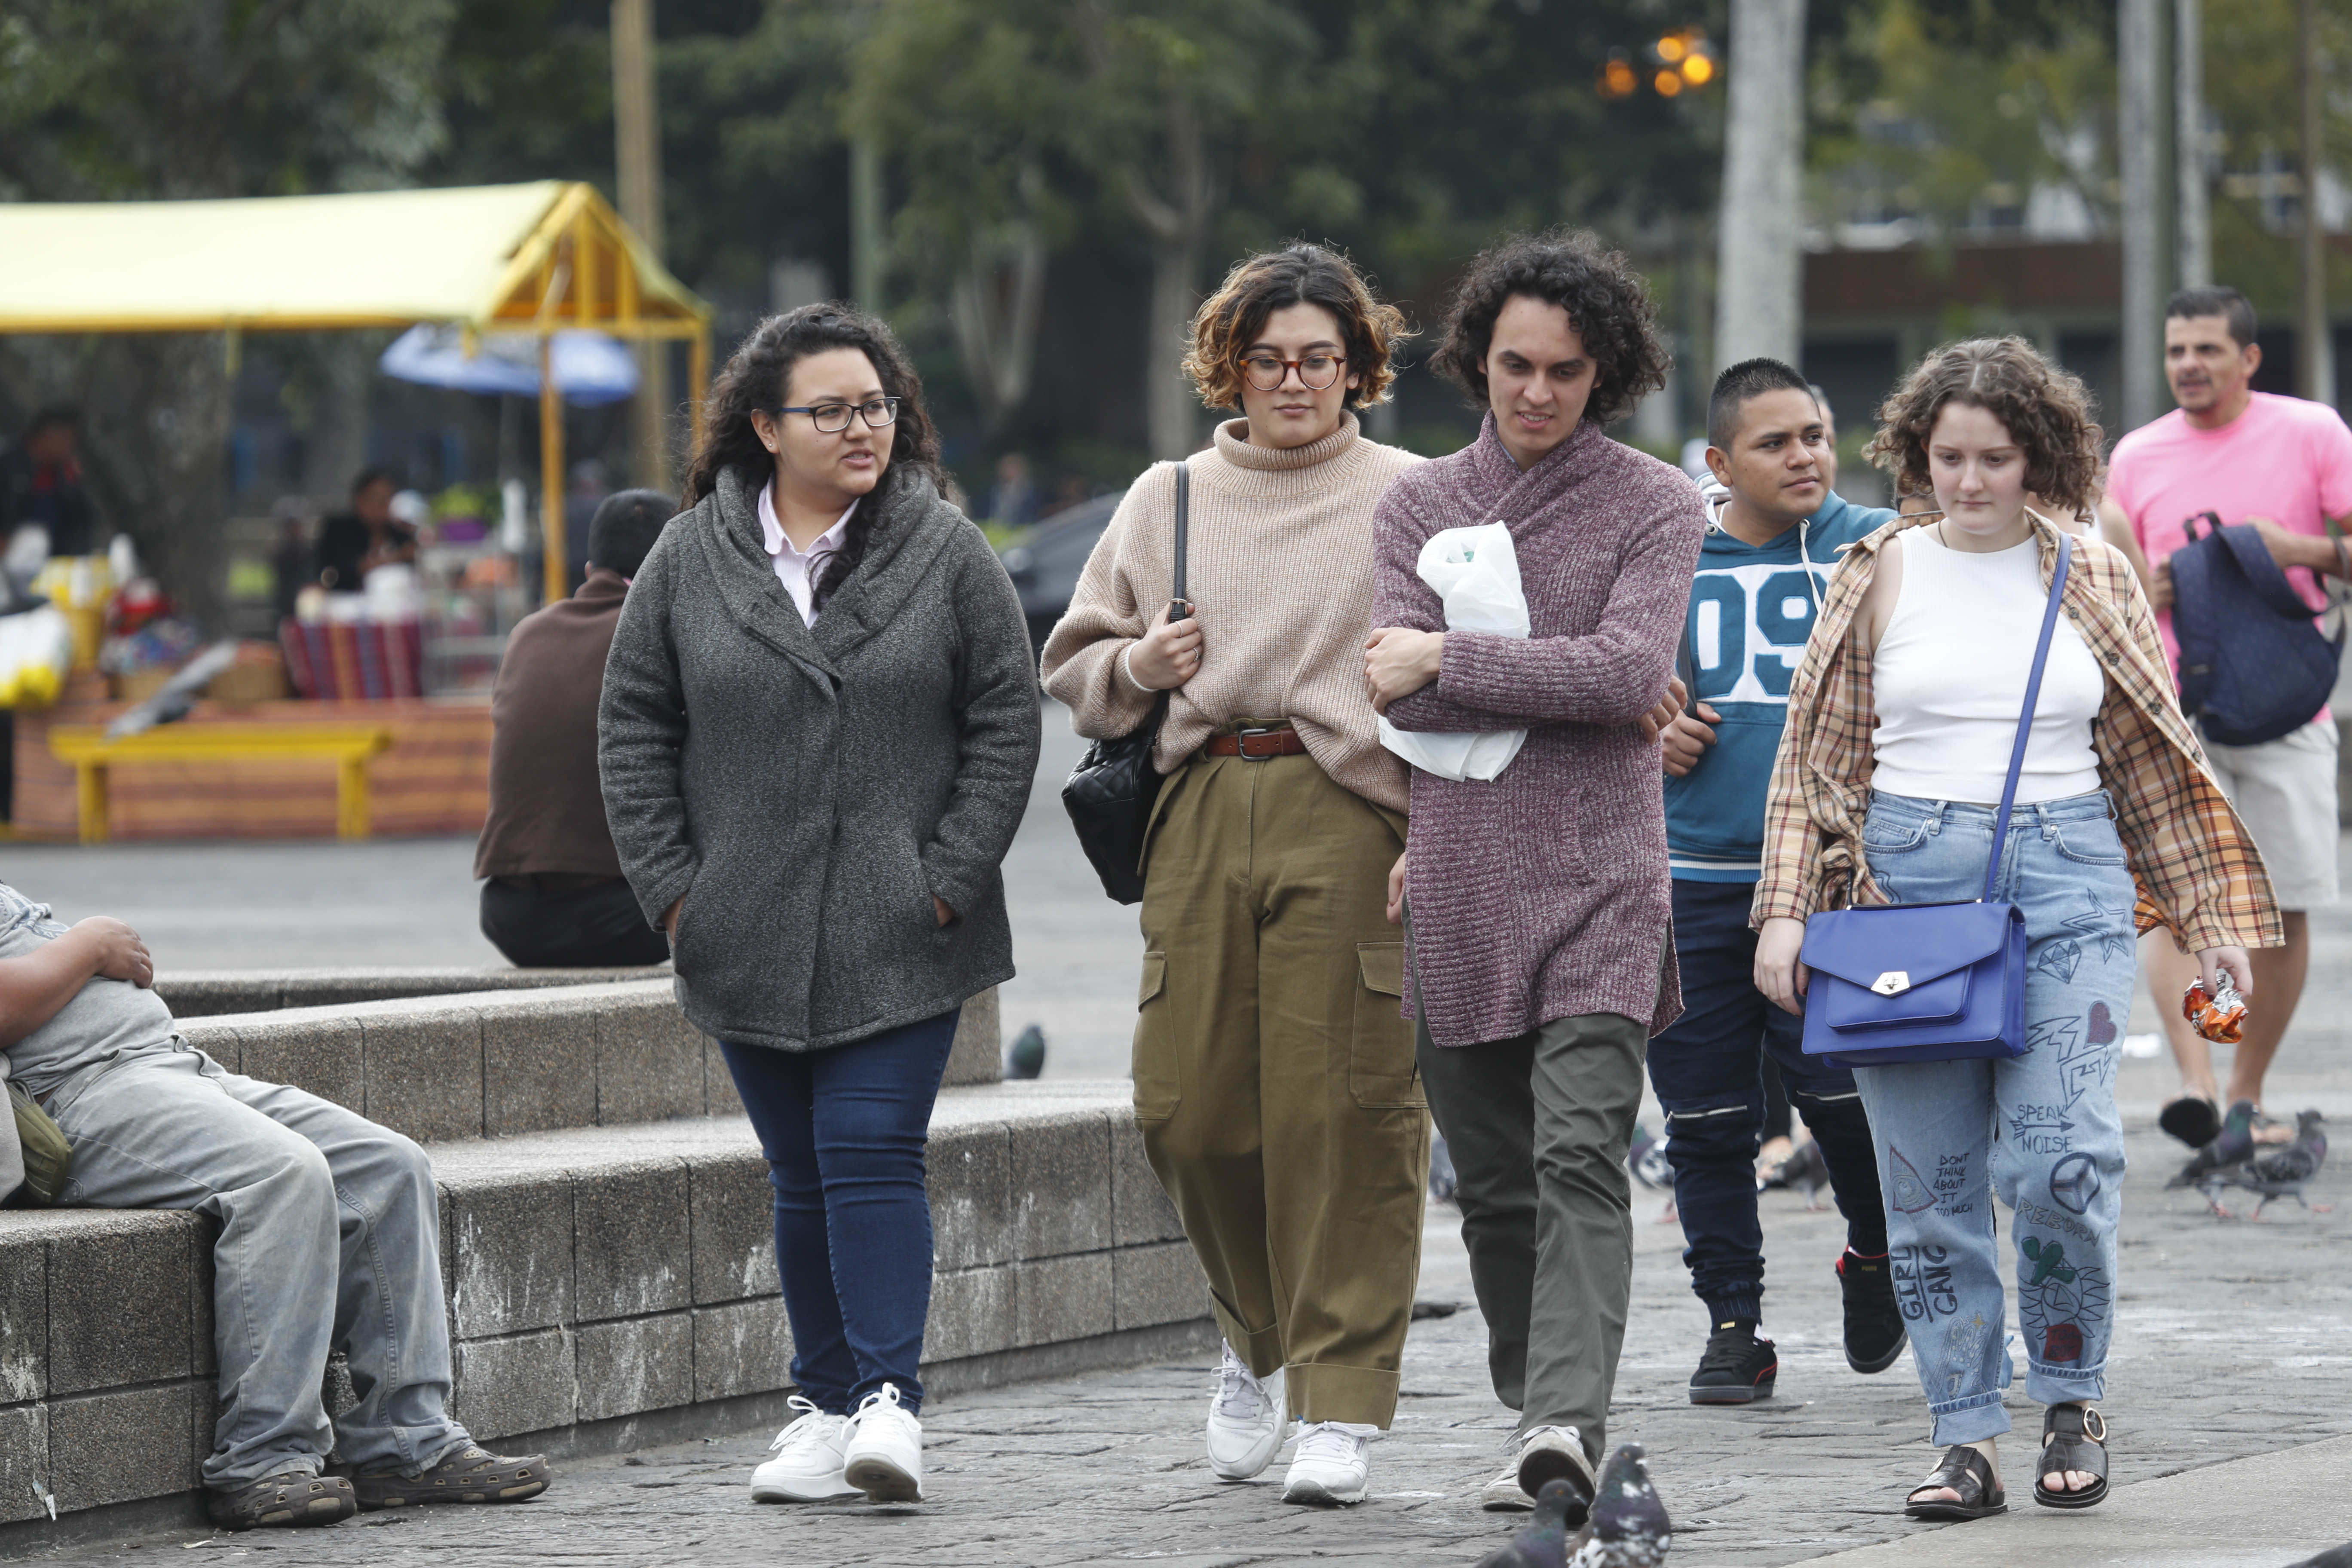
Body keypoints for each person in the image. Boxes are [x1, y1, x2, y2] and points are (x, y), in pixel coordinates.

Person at [1753, 336, 2277, 1521]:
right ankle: (1966, 1434)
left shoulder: (2088, 570)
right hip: (1905, 896)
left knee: (2061, 1159)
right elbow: (1813, 762)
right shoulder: (1875, 571)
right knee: (1928, 1187)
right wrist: (1785, 914)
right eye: (1950, 458)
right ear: (1917, 456)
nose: (1972, 481)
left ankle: (2072, 1395)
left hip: (2071, 879)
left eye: (1996, 457)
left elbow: (2154, 757)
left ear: (2041, 458)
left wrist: (2205, 919)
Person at [600, 303, 1039, 1508]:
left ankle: (888, 1401)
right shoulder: (690, 558)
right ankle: (820, 1405)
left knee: (867, 1149)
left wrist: (947, 878)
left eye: (878, 406)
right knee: (797, 1170)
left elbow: (1006, 719)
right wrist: (678, 895)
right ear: (764, 425)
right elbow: (635, 724)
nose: (863, 428)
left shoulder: (946, 552)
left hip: (906, 925)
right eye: (833, 410)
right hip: (740, 926)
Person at [1040, 244, 1427, 1508]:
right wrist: (1145, 663)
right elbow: (1077, 658)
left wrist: (1445, 829)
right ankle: (1253, 1337)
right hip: (1202, 795)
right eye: (1270, 358)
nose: (1296, 380)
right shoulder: (1173, 496)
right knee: (1185, 1108)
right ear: (1233, 364)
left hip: (1352, 802)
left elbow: (1475, 661)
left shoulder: (1415, 493)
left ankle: (1340, 1396)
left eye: (1320, 357)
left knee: (1348, 1111)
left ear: (1357, 366)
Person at [1364, 228, 1701, 1518]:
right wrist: (1445, 681)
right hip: (1454, 874)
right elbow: (1397, 709)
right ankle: (1534, 1399)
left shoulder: (1658, 502)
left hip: (1610, 877)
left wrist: (1448, 660)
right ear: (1479, 363)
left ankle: (1566, 1417)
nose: (1537, 392)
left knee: (1578, 1156)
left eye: (1566, 370)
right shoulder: (1416, 504)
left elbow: (1628, 677)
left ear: (1605, 372)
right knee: (1497, 1186)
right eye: (1516, 365)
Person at [0, 885, 549, 1529]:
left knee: (391, 1166)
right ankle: (263, 1463)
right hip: (73, 1097)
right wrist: (89, 944)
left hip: (168, 1065)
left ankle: (407, 1445)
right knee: (281, 1175)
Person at [1653, 359, 1902, 1405]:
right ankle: (1732, 1323)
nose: (1803, 455)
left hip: (1835, 889)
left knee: (1845, 1106)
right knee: (1703, 1123)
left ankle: (1876, 1257)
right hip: (1687, 885)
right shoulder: (1662, 560)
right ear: (1718, 462)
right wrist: (1643, 729)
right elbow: (1610, 691)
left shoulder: (1878, 546)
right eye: (1773, 441)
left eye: (1814, 432)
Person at [2101, 286, 2350, 1149]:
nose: (2189, 367)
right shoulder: (2136, 454)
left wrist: (2299, 550)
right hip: (2175, 706)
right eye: (2176, 352)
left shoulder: (2312, 431)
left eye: (2207, 350)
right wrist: (2144, 586)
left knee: (2282, 904)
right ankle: (2201, 1082)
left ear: (2249, 359)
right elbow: (2111, 572)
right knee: (2179, 906)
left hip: (2287, 701)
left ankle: (2247, 1091)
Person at [476, 488, 677, 968]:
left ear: (589, 572)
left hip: (507, 916)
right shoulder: (661, 635)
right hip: (617, 918)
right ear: (677, 568)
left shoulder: (527, 633)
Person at [0, 406, 97, 562]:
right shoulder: (8, 464)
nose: (69, 446)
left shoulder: (67, 475)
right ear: (46, 436)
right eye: (64, 439)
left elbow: (82, 524)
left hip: (53, 566)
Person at [315, 468, 417, 593]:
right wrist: (397, 557)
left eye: (386, 499)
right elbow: (343, 570)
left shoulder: (400, 535)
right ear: (358, 499)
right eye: (375, 498)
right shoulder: (339, 530)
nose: (380, 505)